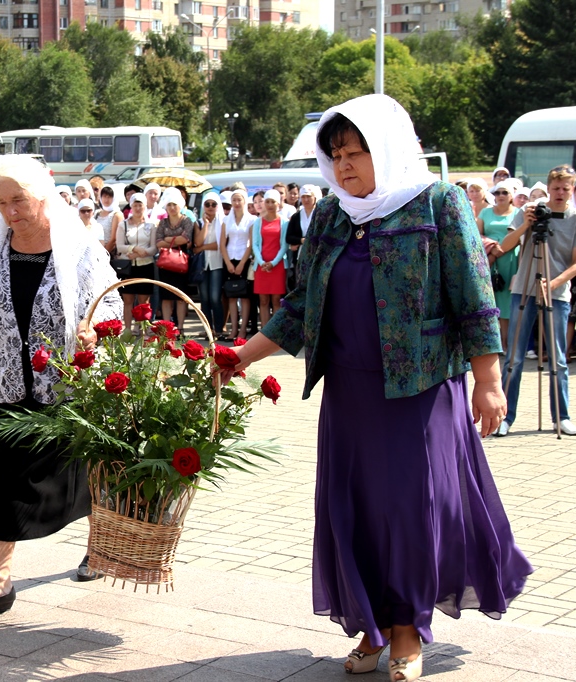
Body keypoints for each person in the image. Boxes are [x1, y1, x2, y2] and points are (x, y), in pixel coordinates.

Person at [224, 95, 532, 682]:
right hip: (349, 392)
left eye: (356, 151)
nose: (343, 166)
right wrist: (243, 355)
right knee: (354, 510)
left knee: (410, 512)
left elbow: (474, 296)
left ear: (386, 148)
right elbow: (299, 307)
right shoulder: (333, 215)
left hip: (418, 391)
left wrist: (488, 381)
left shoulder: (439, 203)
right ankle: (371, 625)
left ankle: (408, 628)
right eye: (335, 153)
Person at [0, 155, 121, 616]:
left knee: (85, 477)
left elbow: (111, 304)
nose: (10, 211)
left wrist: (96, 328)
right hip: (7, 390)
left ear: (44, 195)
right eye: (1, 202)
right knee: (3, 480)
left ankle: (99, 545)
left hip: (68, 391)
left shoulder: (80, 249)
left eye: (19, 200)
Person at [497, 165, 576, 437]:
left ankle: (561, 417)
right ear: (548, 189)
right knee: (513, 357)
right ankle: (505, 417)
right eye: (556, 188)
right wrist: (526, 224)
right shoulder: (532, 212)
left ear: (572, 190)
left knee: (558, 359)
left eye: (566, 189)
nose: (560, 193)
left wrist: (554, 283)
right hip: (523, 289)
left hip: (557, 294)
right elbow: (507, 244)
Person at [477, 180, 521, 351]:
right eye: (497, 193)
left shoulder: (518, 213)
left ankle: (510, 344)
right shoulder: (485, 213)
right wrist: (493, 249)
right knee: (492, 300)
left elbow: (520, 235)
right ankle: (495, 344)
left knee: (509, 302)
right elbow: (477, 234)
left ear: (511, 196)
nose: (500, 196)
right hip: (491, 260)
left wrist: (504, 248)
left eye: (504, 192)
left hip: (511, 260)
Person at [114, 193, 157, 328]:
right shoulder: (123, 225)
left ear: (145, 206)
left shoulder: (151, 225)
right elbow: (120, 246)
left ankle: (142, 328)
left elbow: (153, 248)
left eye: (141, 205)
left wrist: (139, 254)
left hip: (145, 264)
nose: (138, 208)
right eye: (135, 205)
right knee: (128, 299)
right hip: (128, 266)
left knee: (144, 300)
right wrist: (134, 248)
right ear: (131, 206)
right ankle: (127, 329)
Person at [154, 187, 194, 326]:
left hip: (181, 262)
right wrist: (176, 238)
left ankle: (181, 327)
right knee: (165, 297)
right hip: (166, 263)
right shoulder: (163, 222)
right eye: (169, 204)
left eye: (174, 204)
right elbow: (158, 242)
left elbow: (186, 239)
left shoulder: (186, 220)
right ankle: (166, 327)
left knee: (180, 297)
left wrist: (168, 240)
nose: (171, 207)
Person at [251, 189, 289, 329]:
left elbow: (284, 245)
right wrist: (261, 262)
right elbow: (254, 244)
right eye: (267, 201)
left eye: (273, 201)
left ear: (278, 203)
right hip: (261, 266)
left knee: (276, 300)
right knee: (263, 299)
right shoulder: (258, 222)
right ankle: (265, 330)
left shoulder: (284, 222)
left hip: (277, 265)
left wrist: (273, 263)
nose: (270, 204)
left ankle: (276, 330)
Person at [221, 189, 254, 339]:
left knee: (245, 296)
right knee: (232, 295)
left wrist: (242, 263)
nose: (236, 203)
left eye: (239, 200)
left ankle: (243, 330)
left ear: (245, 201)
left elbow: (251, 244)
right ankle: (234, 328)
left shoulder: (251, 219)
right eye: (234, 200)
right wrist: (228, 263)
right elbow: (222, 244)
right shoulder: (226, 220)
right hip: (229, 258)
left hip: (244, 258)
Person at [194, 191, 225, 339]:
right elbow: (197, 243)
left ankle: (219, 328)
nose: (210, 207)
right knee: (204, 298)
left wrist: (203, 247)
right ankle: (208, 329)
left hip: (217, 264)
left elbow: (220, 245)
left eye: (213, 204)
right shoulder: (199, 223)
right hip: (203, 265)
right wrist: (206, 224)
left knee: (215, 297)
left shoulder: (222, 222)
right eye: (207, 204)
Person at [285, 185, 322, 290]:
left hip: (317, 255)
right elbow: (289, 237)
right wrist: (301, 240)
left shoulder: (321, 214)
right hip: (300, 256)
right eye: (303, 197)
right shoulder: (296, 216)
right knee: (301, 285)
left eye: (309, 196)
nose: (306, 200)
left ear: (315, 198)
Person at [95, 185, 122, 255]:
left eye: (109, 197)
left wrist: (102, 255)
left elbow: (114, 239)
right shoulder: (97, 213)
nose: (106, 199)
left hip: (109, 254)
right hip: (95, 252)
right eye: (104, 196)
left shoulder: (116, 214)